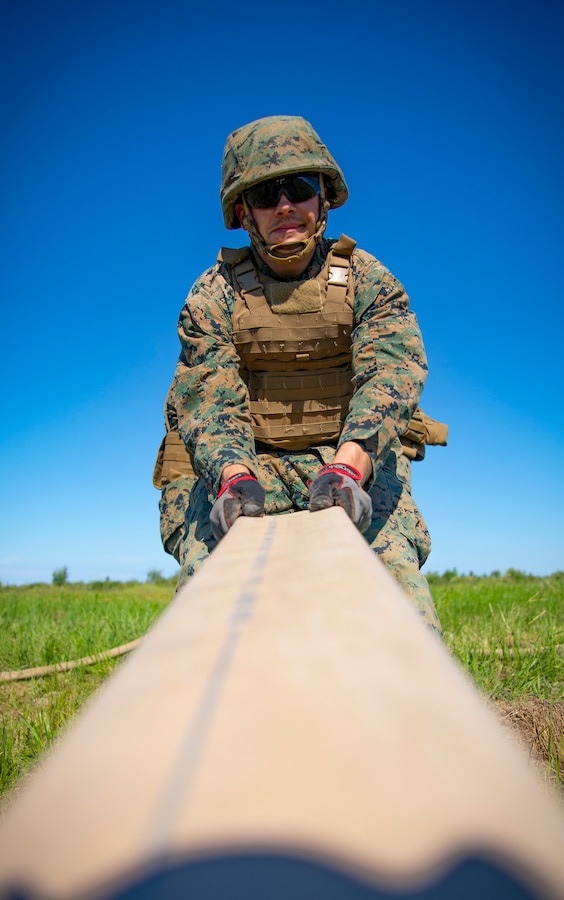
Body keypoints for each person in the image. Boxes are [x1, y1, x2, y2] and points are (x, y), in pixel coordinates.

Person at [156, 115, 447, 633]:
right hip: (246, 469)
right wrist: (233, 477)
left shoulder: (368, 281)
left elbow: (391, 373)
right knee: (205, 612)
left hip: (348, 463)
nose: (285, 205)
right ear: (244, 213)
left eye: (298, 188)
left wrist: (349, 467)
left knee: (400, 613)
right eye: (267, 194)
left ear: (323, 199)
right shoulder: (213, 294)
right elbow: (207, 397)